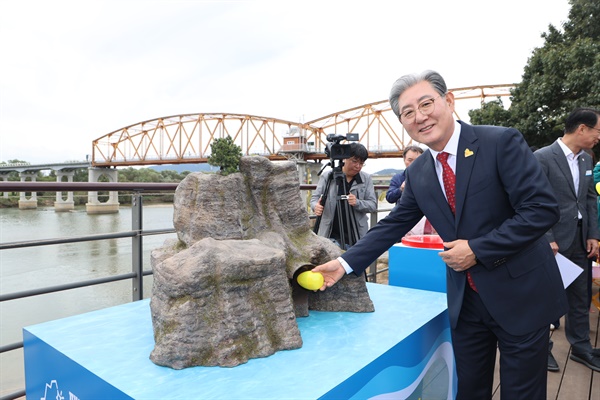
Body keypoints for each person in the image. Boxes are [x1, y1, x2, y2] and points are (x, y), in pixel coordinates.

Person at [312, 70, 568, 399]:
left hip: (520, 293)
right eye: (407, 112)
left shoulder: (500, 141)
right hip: (468, 300)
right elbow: (394, 223)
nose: (419, 117)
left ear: (448, 101)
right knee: (468, 390)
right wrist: (344, 264)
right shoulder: (417, 172)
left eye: (426, 103)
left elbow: (541, 209)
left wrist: (477, 248)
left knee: (522, 393)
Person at [534, 107, 600, 373]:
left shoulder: (586, 160)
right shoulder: (542, 158)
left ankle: (581, 348)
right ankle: (540, 349)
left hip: (580, 239)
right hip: (552, 243)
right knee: (546, 298)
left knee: (580, 295)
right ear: (581, 129)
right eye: (598, 131)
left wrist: (594, 234)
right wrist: (547, 237)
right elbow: (534, 202)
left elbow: (589, 200)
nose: (599, 137)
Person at [310, 143, 377, 250]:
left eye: (361, 163)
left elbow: (373, 205)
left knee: (354, 265)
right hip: (329, 233)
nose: (358, 166)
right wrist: (315, 206)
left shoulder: (366, 178)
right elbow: (314, 199)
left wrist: (357, 202)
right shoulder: (328, 176)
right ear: (344, 159)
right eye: (354, 161)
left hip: (356, 235)